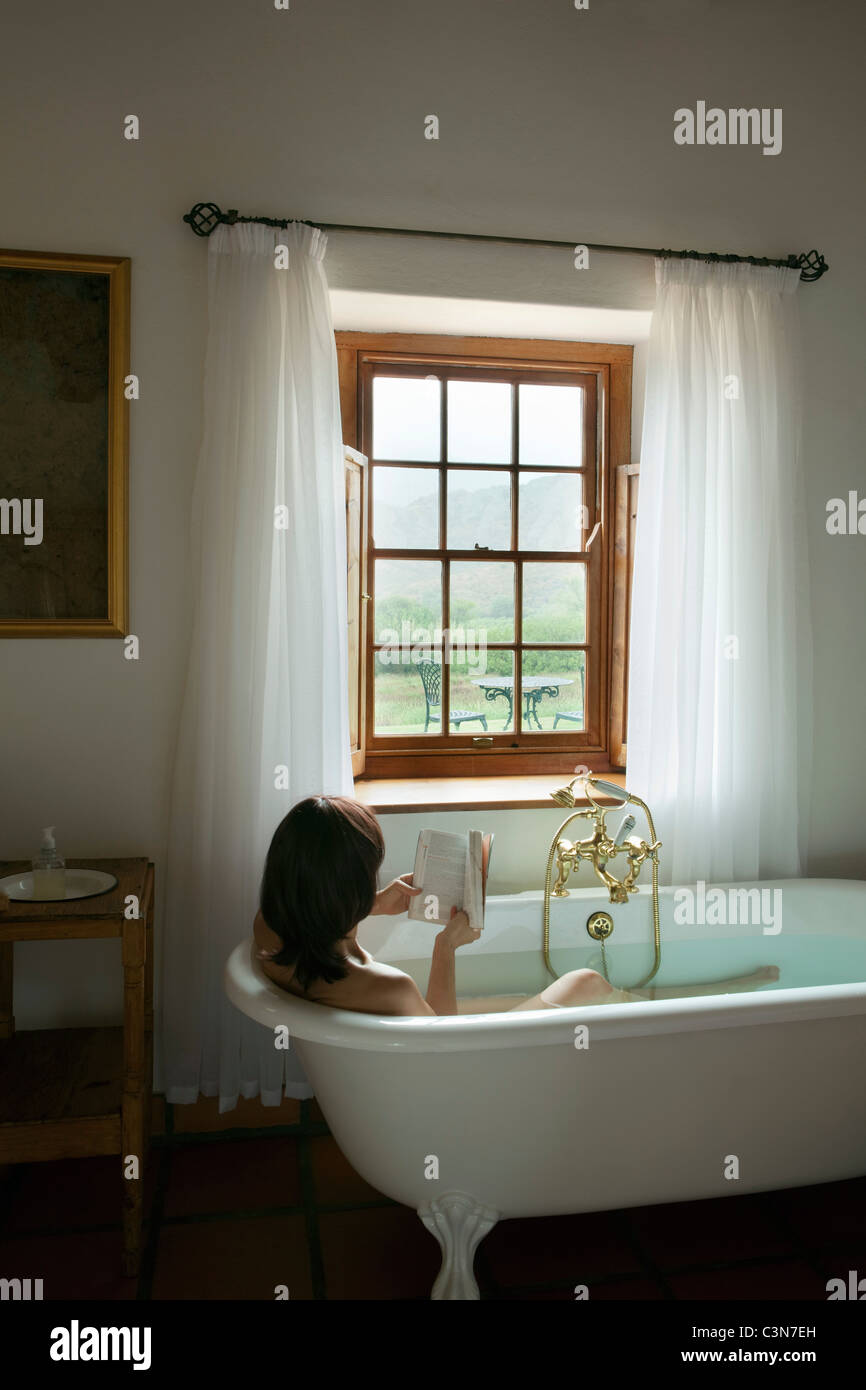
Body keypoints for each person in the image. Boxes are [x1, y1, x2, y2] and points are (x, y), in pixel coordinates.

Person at [253, 795, 778, 1016]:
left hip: (429, 1052)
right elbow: (443, 1048)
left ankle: (670, 1005)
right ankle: (680, 1016)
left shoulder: (271, 935)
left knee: (528, 997)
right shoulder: (388, 988)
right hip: (470, 1084)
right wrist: (445, 948)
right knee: (584, 984)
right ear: (341, 890)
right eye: (368, 876)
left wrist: (370, 905)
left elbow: (311, 913)